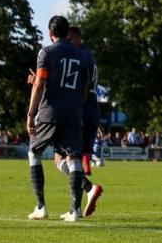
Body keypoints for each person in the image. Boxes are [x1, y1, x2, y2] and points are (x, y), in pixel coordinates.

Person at [25, 15, 93, 222]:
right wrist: (75, 106)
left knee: (34, 152)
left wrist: (30, 114)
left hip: (49, 112)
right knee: (73, 158)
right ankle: (75, 210)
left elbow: (40, 84)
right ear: (67, 33)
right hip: (73, 112)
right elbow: (85, 88)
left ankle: (41, 207)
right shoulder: (82, 56)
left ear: (50, 33)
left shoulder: (46, 52)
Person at [67, 26, 104, 214]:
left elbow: (81, 87)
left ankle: (86, 193)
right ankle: (77, 208)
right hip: (93, 109)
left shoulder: (79, 57)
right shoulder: (90, 55)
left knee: (65, 157)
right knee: (74, 158)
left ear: (74, 38)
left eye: (68, 39)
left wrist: (73, 110)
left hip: (81, 109)